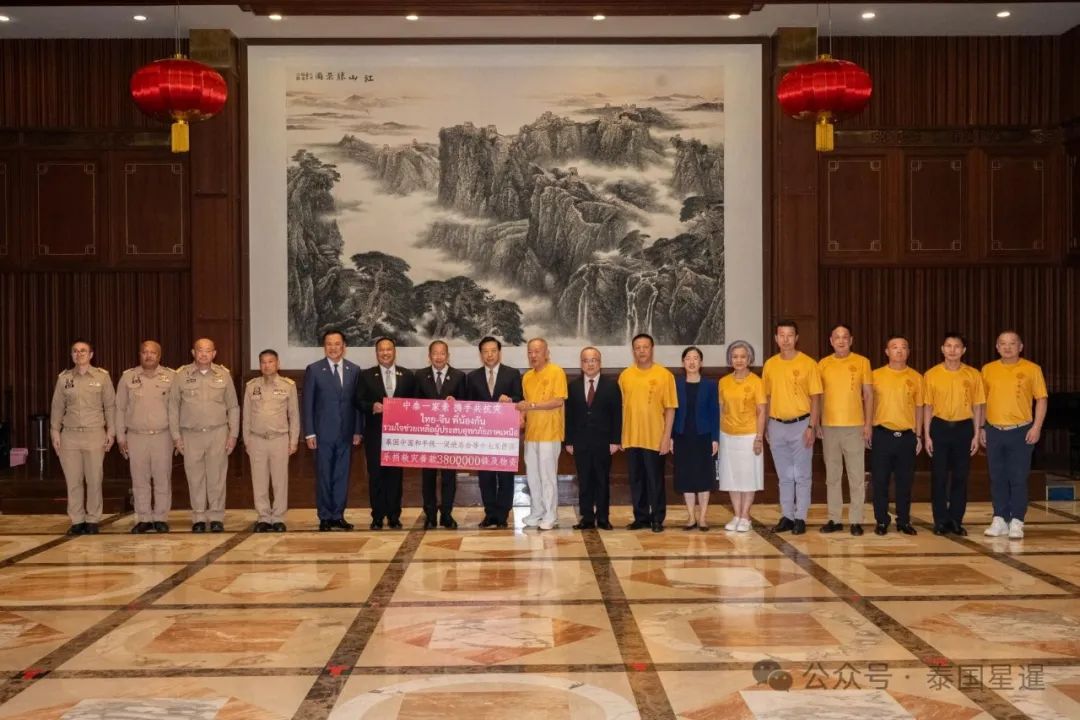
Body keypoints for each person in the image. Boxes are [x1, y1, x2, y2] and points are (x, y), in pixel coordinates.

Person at [980, 331, 1048, 540]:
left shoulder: (1032, 369)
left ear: (1020, 347)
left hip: (1021, 431)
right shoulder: (988, 369)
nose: (1007, 347)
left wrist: (1036, 427)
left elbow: (1041, 399)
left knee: (1018, 477)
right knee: (997, 477)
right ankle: (1000, 518)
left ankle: (1017, 520)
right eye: (1003, 343)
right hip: (994, 430)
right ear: (997, 347)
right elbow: (982, 401)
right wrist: (982, 427)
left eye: (1012, 343)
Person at [169, 338, 239, 533]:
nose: (204, 354)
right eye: (200, 350)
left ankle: (216, 517)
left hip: (218, 433)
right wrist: (176, 436)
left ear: (214, 354)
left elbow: (233, 406)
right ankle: (199, 517)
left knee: (217, 477)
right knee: (195, 478)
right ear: (193, 353)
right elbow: (173, 407)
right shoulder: (181, 375)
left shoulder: (224, 375)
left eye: (208, 350)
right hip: (190, 434)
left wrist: (233, 434)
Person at [762, 320, 822, 535]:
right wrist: (766, 426)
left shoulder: (808, 364)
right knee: (784, 475)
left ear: (796, 338)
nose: (785, 339)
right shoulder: (770, 364)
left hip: (801, 425)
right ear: (776, 338)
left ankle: (801, 517)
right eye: (782, 335)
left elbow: (816, 398)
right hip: (776, 425)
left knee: (802, 475)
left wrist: (812, 426)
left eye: (790, 335)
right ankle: (787, 515)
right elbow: (767, 397)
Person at [50, 339, 115, 536]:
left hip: (94, 434)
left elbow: (110, 406)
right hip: (69, 435)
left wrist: (111, 431)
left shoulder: (102, 377)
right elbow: (57, 407)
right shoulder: (64, 379)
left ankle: (93, 519)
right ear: (72, 355)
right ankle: (77, 520)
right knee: (73, 481)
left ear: (91, 355)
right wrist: (55, 431)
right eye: (75, 351)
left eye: (83, 351)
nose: (79, 354)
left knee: (94, 480)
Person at [923, 332, 985, 536]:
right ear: (942, 349)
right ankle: (940, 521)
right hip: (939, 427)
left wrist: (976, 434)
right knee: (939, 476)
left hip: (964, 428)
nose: (952, 350)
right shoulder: (931, 374)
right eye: (948, 346)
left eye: (957, 346)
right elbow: (927, 407)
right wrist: (927, 435)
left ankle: (956, 520)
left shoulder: (973, 374)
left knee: (960, 476)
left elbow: (977, 406)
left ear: (963, 350)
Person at [302, 329, 362, 532]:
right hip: (322, 434)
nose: (333, 348)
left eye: (337, 344)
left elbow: (357, 404)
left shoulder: (354, 370)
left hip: (346, 433)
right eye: (329, 344)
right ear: (324, 347)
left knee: (341, 476)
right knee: (324, 476)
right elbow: (307, 403)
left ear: (344, 346)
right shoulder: (314, 370)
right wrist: (309, 432)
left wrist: (357, 430)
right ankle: (325, 516)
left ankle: (338, 515)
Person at [817, 324, 873, 536]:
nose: (841, 341)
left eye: (845, 337)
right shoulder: (823, 364)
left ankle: (856, 520)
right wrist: (818, 422)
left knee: (856, 475)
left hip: (855, 426)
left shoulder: (862, 362)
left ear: (851, 340)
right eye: (837, 337)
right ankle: (835, 518)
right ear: (831, 341)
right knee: (832, 476)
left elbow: (868, 395)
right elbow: (818, 396)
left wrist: (868, 424)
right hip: (829, 427)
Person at [618, 333, 677, 533]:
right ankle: (641, 517)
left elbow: (670, 408)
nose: (641, 351)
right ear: (633, 350)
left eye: (645, 347)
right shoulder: (625, 376)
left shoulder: (664, 375)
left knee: (655, 480)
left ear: (652, 349)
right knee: (636, 480)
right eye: (638, 347)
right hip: (631, 436)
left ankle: (657, 518)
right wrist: (621, 436)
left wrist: (667, 437)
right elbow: (621, 408)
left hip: (655, 437)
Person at [355, 337, 416, 530]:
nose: (385, 353)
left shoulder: (407, 375)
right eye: (381, 350)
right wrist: (371, 406)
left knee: (395, 477)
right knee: (376, 476)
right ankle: (377, 516)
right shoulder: (366, 375)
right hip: (375, 434)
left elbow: (415, 403)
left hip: (399, 435)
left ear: (394, 351)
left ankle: (394, 516)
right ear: (376, 353)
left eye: (389, 349)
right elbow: (358, 401)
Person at [115, 340, 175, 534]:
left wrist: (177, 436)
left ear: (159, 356)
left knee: (162, 478)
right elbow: (119, 409)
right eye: (144, 352)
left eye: (153, 353)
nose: (148, 356)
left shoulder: (171, 377)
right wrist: (120, 437)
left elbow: (177, 409)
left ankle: (161, 518)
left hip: (163, 436)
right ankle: (144, 518)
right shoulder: (128, 377)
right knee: (139, 480)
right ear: (139, 355)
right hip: (136, 436)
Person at [465, 336, 523, 528]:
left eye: (493, 351)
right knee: (486, 476)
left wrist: (510, 400)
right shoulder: (472, 377)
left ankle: (502, 515)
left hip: (505, 435)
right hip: (482, 436)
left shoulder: (512, 374)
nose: (489, 355)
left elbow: (520, 398)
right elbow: (468, 405)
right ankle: (489, 513)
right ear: (481, 354)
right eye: (485, 351)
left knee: (505, 475)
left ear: (499, 352)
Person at [869, 336, 923, 536]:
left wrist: (918, 435)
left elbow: (919, 407)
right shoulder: (875, 375)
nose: (899, 351)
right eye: (894, 347)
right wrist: (867, 429)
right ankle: (882, 521)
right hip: (882, 434)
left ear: (908, 352)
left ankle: (904, 521)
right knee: (880, 481)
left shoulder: (916, 377)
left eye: (903, 348)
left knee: (905, 482)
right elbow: (867, 404)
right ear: (887, 351)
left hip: (907, 436)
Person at [565, 347, 622, 530]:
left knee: (602, 480)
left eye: (593, 360)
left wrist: (615, 440)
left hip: (603, 442)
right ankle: (587, 517)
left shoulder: (611, 385)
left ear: (600, 363)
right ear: (581, 364)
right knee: (584, 481)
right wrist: (569, 441)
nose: (590, 364)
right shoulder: (573, 386)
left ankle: (603, 517)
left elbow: (617, 415)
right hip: (580, 442)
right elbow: (569, 416)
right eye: (586, 360)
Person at [243, 349, 299, 533]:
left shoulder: (288, 385)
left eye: (270, 361)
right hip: (257, 439)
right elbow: (246, 416)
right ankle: (263, 517)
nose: (267, 365)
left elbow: (294, 415)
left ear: (278, 364)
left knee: (279, 481)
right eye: (263, 362)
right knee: (259, 481)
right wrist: (247, 440)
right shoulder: (251, 386)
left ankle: (278, 517)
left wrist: (293, 440)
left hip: (279, 439)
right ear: (260, 365)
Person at [517, 338, 568, 531]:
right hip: (531, 434)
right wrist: (522, 415)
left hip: (550, 432)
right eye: (530, 352)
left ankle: (550, 514)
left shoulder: (556, 372)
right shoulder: (527, 377)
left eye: (537, 351)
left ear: (547, 353)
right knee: (532, 475)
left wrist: (531, 405)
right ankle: (537, 511)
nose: (533, 355)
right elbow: (526, 404)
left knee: (547, 476)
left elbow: (558, 401)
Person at [414, 340, 466, 529]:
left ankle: (446, 514)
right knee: (428, 477)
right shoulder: (420, 375)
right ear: (429, 356)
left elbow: (466, 406)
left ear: (447, 355)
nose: (438, 357)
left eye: (442, 353)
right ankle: (429, 515)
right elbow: (413, 404)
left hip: (449, 436)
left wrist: (456, 402)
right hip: (427, 436)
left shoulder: (459, 376)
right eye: (435, 353)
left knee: (448, 477)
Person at [717, 341, 767, 533]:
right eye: (735, 356)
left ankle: (746, 516)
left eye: (743, 357)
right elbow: (721, 410)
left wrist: (759, 437)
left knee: (748, 476)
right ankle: (736, 515)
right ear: (730, 359)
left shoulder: (756, 382)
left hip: (749, 435)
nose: (739, 360)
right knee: (731, 476)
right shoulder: (723, 382)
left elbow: (761, 411)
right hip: (727, 435)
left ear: (749, 359)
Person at [672, 346, 719, 531]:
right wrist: (671, 437)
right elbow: (671, 412)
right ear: (683, 362)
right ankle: (691, 517)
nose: (692, 362)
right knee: (686, 477)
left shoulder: (710, 385)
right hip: (682, 436)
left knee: (704, 477)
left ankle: (703, 517)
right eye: (688, 358)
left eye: (696, 358)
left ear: (701, 362)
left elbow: (715, 413)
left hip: (704, 436)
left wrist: (715, 438)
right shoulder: (676, 384)